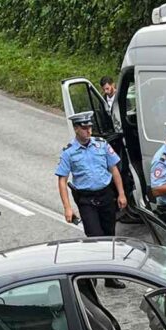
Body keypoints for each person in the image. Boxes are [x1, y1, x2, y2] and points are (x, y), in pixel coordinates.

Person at [56, 111, 128, 289]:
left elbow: (114, 169)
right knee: (95, 239)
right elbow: (62, 181)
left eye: (90, 127)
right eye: (84, 127)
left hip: (106, 196)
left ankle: (110, 277)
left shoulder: (101, 145)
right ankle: (94, 275)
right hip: (87, 200)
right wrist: (67, 208)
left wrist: (121, 193)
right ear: (76, 129)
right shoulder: (69, 152)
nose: (89, 130)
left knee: (110, 237)